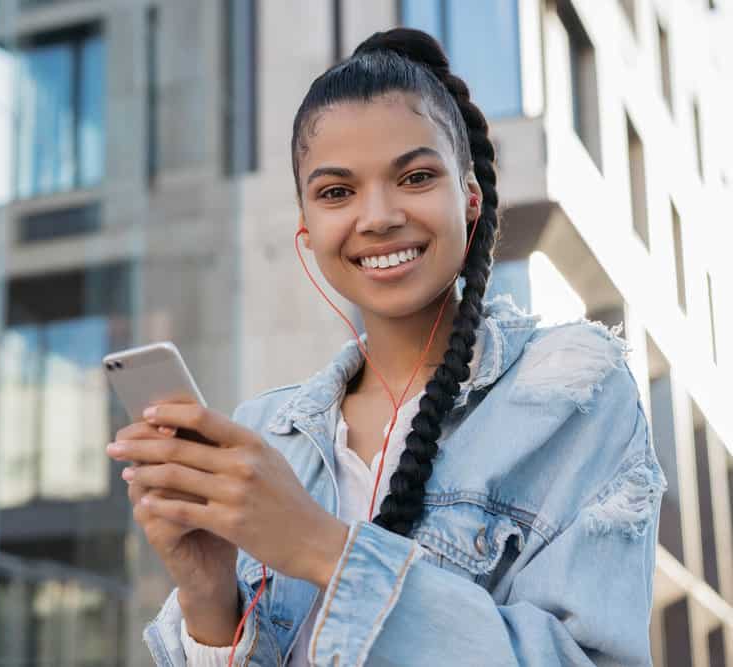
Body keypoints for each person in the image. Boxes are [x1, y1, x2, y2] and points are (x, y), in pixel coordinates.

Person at [106, 27, 666, 666]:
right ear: (307, 227)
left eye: (416, 176)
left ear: (471, 199)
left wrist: (322, 548)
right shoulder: (264, 433)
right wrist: (208, 595)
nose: (375, 216)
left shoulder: (571, 397)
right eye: (336, 192)